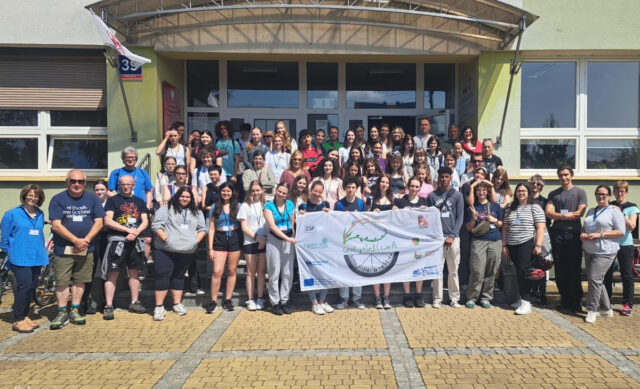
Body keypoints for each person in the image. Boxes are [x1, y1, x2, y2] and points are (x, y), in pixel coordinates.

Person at [48, 170, 105, 330]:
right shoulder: (58, 199)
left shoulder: (92, 199)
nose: (77, 184)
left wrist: (85, 241)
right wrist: (76, 240)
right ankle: (61, 312)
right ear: (67, 182)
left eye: (80, 181)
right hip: (63, 248)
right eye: (73, 181)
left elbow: (99, 222)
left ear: (85, 183)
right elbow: (56, 225)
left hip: (86, 247)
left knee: (81, 279)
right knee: (62, 280)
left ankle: (74, 309)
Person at [151, 187, 206, 320]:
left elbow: (203, 228)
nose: (184, 199)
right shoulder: (166, 208)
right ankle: (159, 307)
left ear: (191, 198)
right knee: (163, 276)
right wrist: (166, 239)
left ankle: (177, 304)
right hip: (165, 250)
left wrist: (195, 242)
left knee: (179, 277)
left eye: (187, 197)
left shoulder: (197, 211)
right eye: (182, 196)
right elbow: (156, 225)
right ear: (177, 196)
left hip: (186, 250)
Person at [1, 184, 48, 333]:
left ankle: (26, 315)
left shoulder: (40, 214)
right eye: (30, 195)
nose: (33, 198)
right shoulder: (12, 214)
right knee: (24, 286)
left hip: (36, 256)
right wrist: (8, 252)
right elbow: (4, 237)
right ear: (24, 196)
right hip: (19, 256)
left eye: (36, 196)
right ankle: (18, 319)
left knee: (32, 286)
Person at [100, 175, 149, 320]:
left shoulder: (139, 201)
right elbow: (107, 221)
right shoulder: (112, 201)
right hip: (117, 242)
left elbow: (145, 220)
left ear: (133, 186)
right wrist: (128, 231)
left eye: (128, 184)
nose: (126, 187)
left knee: (134, 273)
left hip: (135, 242)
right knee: (112, 273)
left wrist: (136, 233)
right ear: (119, 186)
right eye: (123, 184)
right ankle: (109, 305)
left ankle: (134, 302)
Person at [545, 166, 587, 312]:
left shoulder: (580, 192)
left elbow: (579, 213)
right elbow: (549, 212)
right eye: (561, 175)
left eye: (566, 175)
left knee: (573, 269)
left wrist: (562, 215)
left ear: (572, 175)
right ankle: (565, 300)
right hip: (557, 235)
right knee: (560, 269)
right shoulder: (554, 193)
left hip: (573, 235)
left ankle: (576, 301)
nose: (564, 178)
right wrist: (564, 216)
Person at [581, 185, 625, 323]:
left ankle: (592, 309)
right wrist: (583, 233)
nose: (601, 196)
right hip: (589, 250)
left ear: (609, 196)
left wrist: (600, 234)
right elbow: (585, 226)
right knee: (597, 280)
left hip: (606, 251)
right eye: (598, 194)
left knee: (594, 279)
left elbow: (620, 231)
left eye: (604, 194)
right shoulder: (591, 210)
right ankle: (606, 309)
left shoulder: (614, 211)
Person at [501, 183, 546, 315]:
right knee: (518, 273)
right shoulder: (511, 208)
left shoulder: (535, 207)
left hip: (526, 244)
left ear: (528, 192)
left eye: (524, 191)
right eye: (519, 191)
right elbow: (505, 228)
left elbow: (540, 227)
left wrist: (538, 245)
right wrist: (504, 245)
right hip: (511, 245)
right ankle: (522, 299)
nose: (521, 193)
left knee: (524, 273)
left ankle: (526, 304)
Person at [107, 146, 154, 259]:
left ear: (136, 159)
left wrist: (147, 205)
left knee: (147, 239)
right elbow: (108, 191)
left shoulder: (143, 173)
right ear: (123, 159)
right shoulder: (116, 173)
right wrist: (119, 201)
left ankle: (142, 266)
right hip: (123, 211)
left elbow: (149, 190)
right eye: (127, 157)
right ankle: (124, 265)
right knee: (124, 238)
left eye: (133, 157)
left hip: (141, 209)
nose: (130, 159)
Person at [428, 167, 465, 308]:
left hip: (453, 238)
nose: (443, 179)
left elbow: (460, 217)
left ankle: (454, 298)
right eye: (441, 177)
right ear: (438, 178)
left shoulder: (457, 195)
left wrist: (453, 235)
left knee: (453, 269)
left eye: (446, 177)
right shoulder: (432, 196)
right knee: (437, 270)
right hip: (437, 238)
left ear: (450, 178)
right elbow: (429, 219)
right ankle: (437, 298)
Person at [464, 180, 503, 309]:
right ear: (476, 192)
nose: (481, 192)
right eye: (479, 190)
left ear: (487, 191)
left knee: (491, 270)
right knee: (477, 270)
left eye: (484, 190)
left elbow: (502, 224)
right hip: (479, 241)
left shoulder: (495, 206)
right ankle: (472, 297)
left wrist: (494, 220)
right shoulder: (472, 207)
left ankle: (486, 297)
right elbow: (469, 228)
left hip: (495, 241)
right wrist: (474, 218)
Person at [298, 181, 334, 315]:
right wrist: (301, 216)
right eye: (315, 191)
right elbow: (299, 225)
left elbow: (330, 223)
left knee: (325, 272)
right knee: (309, 272)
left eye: (320, 191)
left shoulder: (325, 205)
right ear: (311, 190)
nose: (317, 194)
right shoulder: (303, 205)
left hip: (323, 245)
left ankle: (322, 301)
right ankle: (314, 302)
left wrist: (328, 213)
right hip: (309, 247)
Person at [205, 183, 242, 312]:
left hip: (234, 238)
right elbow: (211, 228)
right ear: (220, 192)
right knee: (217, 271)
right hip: (219, 239)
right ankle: (213, 300)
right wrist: (210, 248)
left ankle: (228, 299)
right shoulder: (214, 207)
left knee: (232, 271)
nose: (226, 193)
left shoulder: (238, 206)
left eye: (228, 191)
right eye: (223, 191)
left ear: (233, 192)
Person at [395, 177, 429, 307]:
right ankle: (407, 295)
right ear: (408, 187)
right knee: (407, 267)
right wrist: (398, 210)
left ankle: (419, 295)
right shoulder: (401, 201)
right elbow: (396, 219)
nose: (414, 189)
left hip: (419, 240)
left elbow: (426, 223)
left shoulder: (424, 201)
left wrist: (425, 212)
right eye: (412, 186)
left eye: (417, 187)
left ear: (420, 188)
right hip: (405, 240)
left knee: (419, 266)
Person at [264, 182, 297, 315]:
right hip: (274, 240)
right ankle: (274, 302)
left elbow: (293, 221)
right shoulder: (268, 206)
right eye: (279, 191)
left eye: (284, 192)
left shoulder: (290, 204)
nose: (281, 194)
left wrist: (292, 236)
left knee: (288, 273)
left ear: (287, 194)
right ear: (276, 190)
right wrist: (288, 238)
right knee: (274, 272)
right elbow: (272, 226)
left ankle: (284, 300)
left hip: (289, 239)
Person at [607, 181, 639, 316]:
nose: (619, 194)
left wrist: (622, 214)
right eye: (617, 191)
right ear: (613, 192)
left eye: (622, 191)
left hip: (625, 244)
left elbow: (632, 226)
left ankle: (627, 304)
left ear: (626, 193)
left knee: (626, 275)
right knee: (606, 274)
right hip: (609, 244)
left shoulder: (632, 207)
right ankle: (605, 301)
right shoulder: (609, 206)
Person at [335, 177, 367, 309]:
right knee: (343, 270)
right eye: (348, 187)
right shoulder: (339, 204)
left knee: (358, 270)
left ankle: (357, 298)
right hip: (343, 241)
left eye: (353, 187)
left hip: (358, 241)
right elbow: (335, 223)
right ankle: (344, 298)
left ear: (356, 189)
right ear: (344, 188)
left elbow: (366, 222)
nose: (350, 190)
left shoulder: (361, 203)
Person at [238, 181, 268, 311]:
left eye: (258, 190)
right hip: (250, 241)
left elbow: (269, 224)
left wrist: (264, 239)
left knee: (261, 271)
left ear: (262, 190)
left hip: (264, 241)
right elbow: (244, 227)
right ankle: (250, 299)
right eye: (253, 190)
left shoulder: (266, 205)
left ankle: (260, 298)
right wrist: (257, 238)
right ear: (250, 192)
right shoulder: (245, 206)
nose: (255, 193)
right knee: (251, 272)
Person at [370, 174, 396, 309]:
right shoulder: (371, 199)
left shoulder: (393, 199)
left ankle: (386, 297)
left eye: (387, 182)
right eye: (382, 182)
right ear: (379, 183)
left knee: (388, 268)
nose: (384, 184)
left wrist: (397, 211)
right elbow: (365, 216)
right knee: (376, 268)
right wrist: (371, 211)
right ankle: (377, 297)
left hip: (389, 238)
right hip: (375, 237)